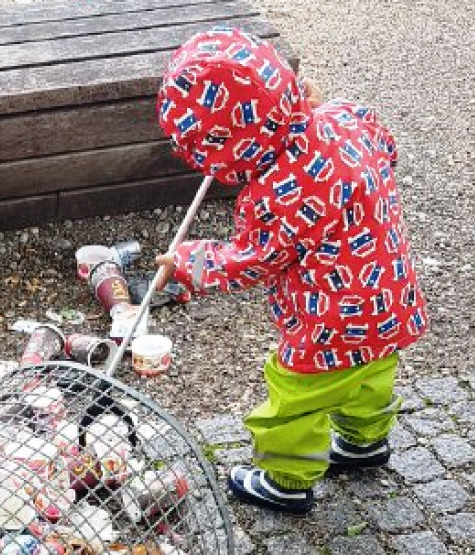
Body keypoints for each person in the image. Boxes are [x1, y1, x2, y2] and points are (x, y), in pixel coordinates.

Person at [154, 26, 428, 514]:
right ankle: (365, 444)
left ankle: (286, 478)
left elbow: (254, 260)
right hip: (391, 296)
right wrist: (310, 111)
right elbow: (383, 144)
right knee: (372, 373)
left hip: (330, 321)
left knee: (295, 391)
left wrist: (189, 262)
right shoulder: (347, 120)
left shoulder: (275, 190)